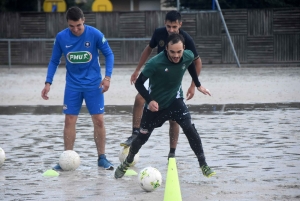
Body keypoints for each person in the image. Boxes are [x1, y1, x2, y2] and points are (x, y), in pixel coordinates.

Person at [115, 33, 215, 179]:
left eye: (179, 52)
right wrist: (149, 100)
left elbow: (190, 65)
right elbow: (138, 83)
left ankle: (203, 164)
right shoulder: (155, 63)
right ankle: (128, 161)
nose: (176, 56)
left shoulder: (187, 55)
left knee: (189, 128)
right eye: (172, 52)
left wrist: (197, 85)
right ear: (166, 48)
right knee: (141, 139)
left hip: (175, 101)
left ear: (184, 49)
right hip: (156, 105)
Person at [120, 10, 202, 160]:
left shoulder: (186, 39)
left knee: (174, 117)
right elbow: (148, 49)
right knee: (139, 99)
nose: (171, 30)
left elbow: (197, 62)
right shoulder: (158, 33)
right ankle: (135, 133)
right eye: (168, 26)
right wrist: (137, 69)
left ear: (180, 25)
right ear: (165, 24)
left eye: (174, 27)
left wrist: (193, 85)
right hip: (157, 77)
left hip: (173, 81)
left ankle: (172, 151)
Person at [41, 6, 114, 170]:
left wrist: (107, 77)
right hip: (73, 86)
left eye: (78, 26)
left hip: (94, 85)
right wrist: (48, 82)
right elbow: (54, 60)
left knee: (99, 120)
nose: (75, 29)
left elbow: (109, 54)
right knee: (69, 120)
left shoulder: (95, 34)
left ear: (84, 21)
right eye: (71, 26)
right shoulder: (61, 37)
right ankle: (67, 158)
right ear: (67, 24)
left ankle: (102, 158)